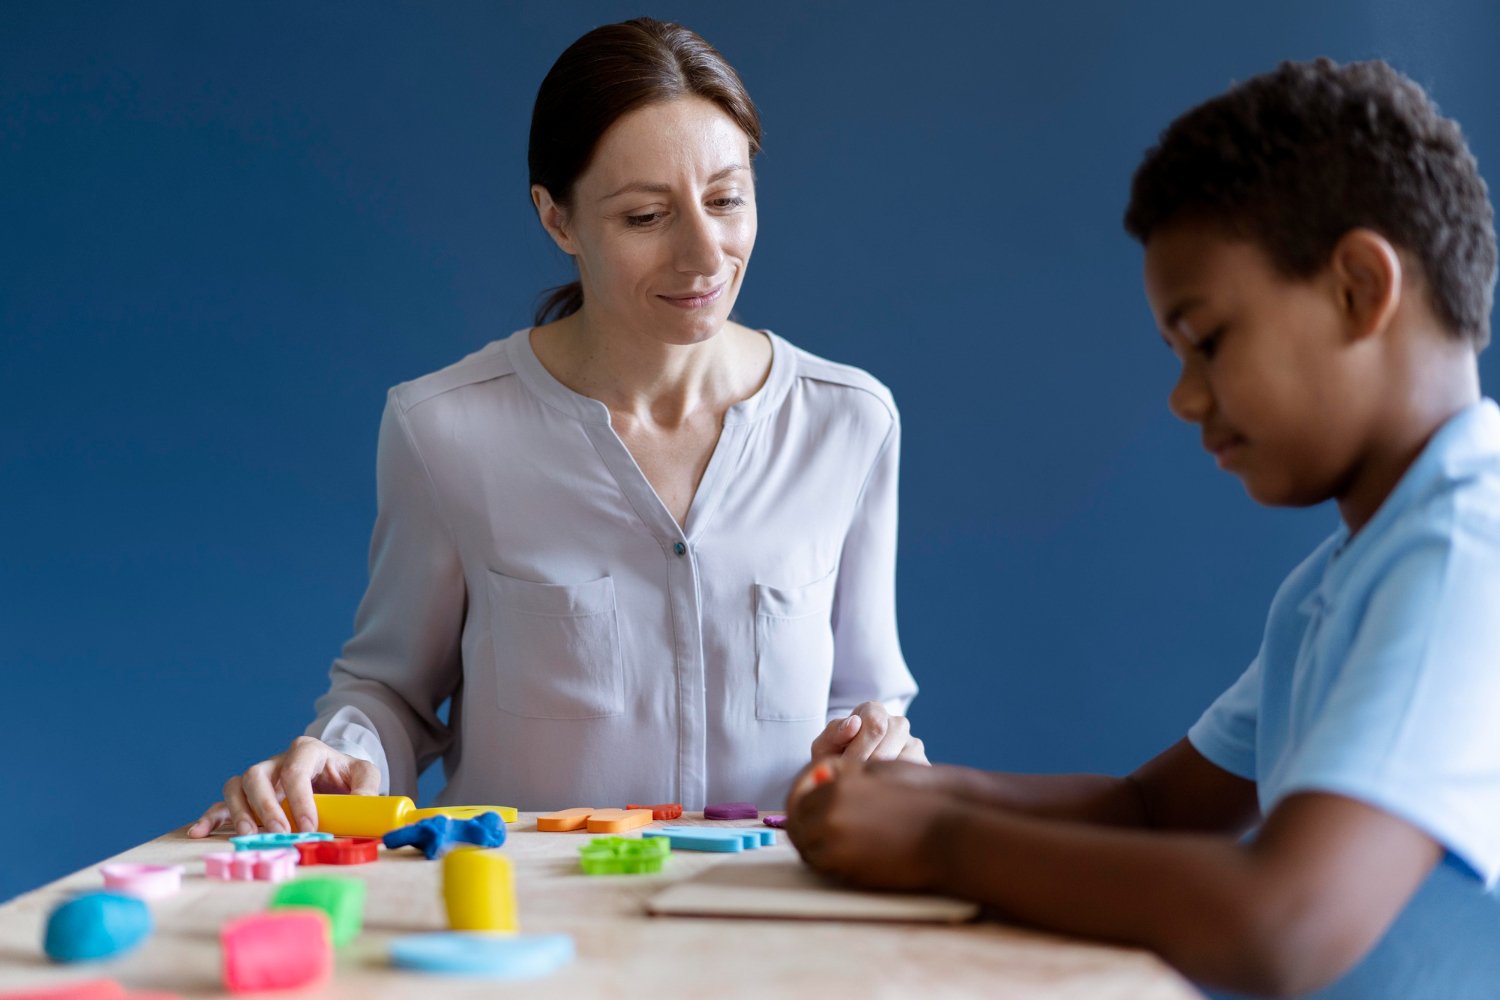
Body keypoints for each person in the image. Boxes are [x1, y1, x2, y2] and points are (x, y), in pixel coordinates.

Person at [785, 57, 1500, 1000]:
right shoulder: (1337, 583)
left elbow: (1282, 923)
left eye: (1208, 340)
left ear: (1360, 288)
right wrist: (925, 792)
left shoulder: (1464, 553)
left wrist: (938, 844)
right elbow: (1153, 809)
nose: (1185, 396)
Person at [189, 17, 924, 841]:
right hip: (525, 935)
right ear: (558, 220)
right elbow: (388, 692)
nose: (703, 254)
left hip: (766, 928)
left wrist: (879, 744)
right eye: (646, 217)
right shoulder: (446, 429)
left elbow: (863, 696)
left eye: (725, 201)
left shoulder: (848, 420)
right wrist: (332, 757)